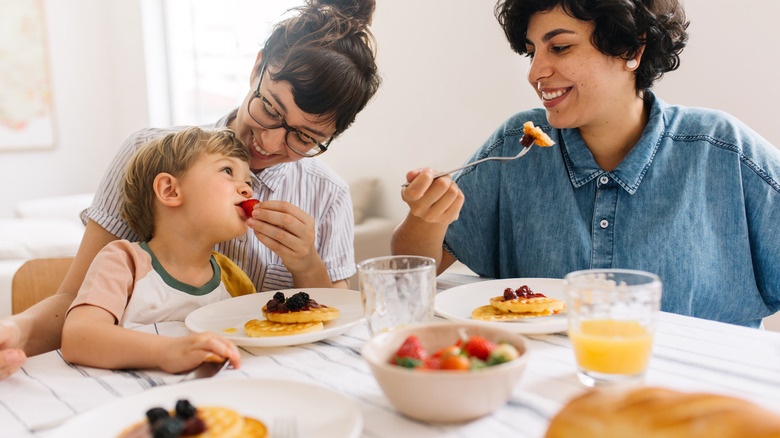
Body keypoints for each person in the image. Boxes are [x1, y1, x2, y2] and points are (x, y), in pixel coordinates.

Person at [0, 0, 380, 379]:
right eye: (271, 109)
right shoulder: (148, 156)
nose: (270, 141)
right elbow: (75, 305)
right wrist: (15, 332)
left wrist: (306, 263)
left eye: (304, 137)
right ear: (256, 67)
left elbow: (333, 320)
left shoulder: (328, 194)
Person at [393, 0, 780, 328]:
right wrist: (427, 217)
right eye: (532, 52)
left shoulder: (724, 150)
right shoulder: (517, 144)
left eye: (559, 47)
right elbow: (406, 274)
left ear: (631, 50)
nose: (535, 73)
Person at [61, 127, 252, 371]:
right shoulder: (123, 262)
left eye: (248, 181)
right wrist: (169, 351)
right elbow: (78, 338)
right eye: (227, 171)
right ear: (169, 190)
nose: (247, 189)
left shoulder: (233, 277)